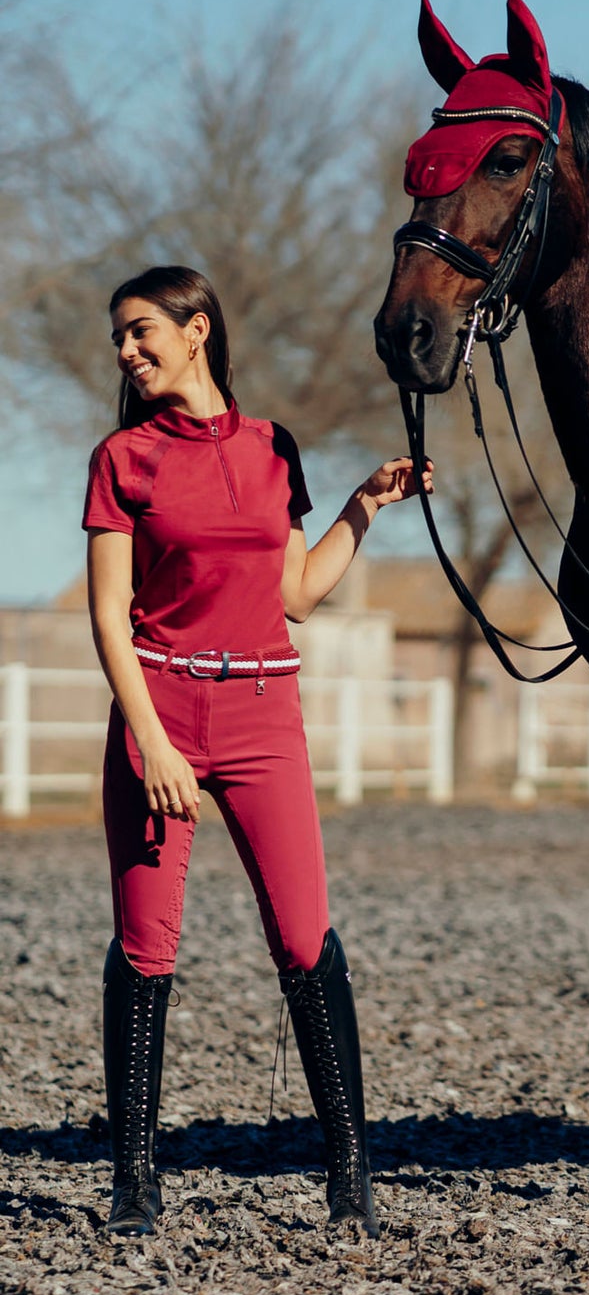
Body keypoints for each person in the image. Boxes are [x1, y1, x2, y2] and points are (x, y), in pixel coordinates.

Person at [83, 266, 432, 1240]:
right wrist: (151, 738)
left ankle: (351, 1171)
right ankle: (134, 1181)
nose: (127, 350)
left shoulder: (274, 447)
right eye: (120, 337)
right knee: (148, 945)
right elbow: (109, 615)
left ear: (198, 330)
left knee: (305, 936)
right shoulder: (124, 458)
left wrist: (365, 501)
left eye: (142, 330)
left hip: (263, 714)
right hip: (159, 711)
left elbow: (299, 592)